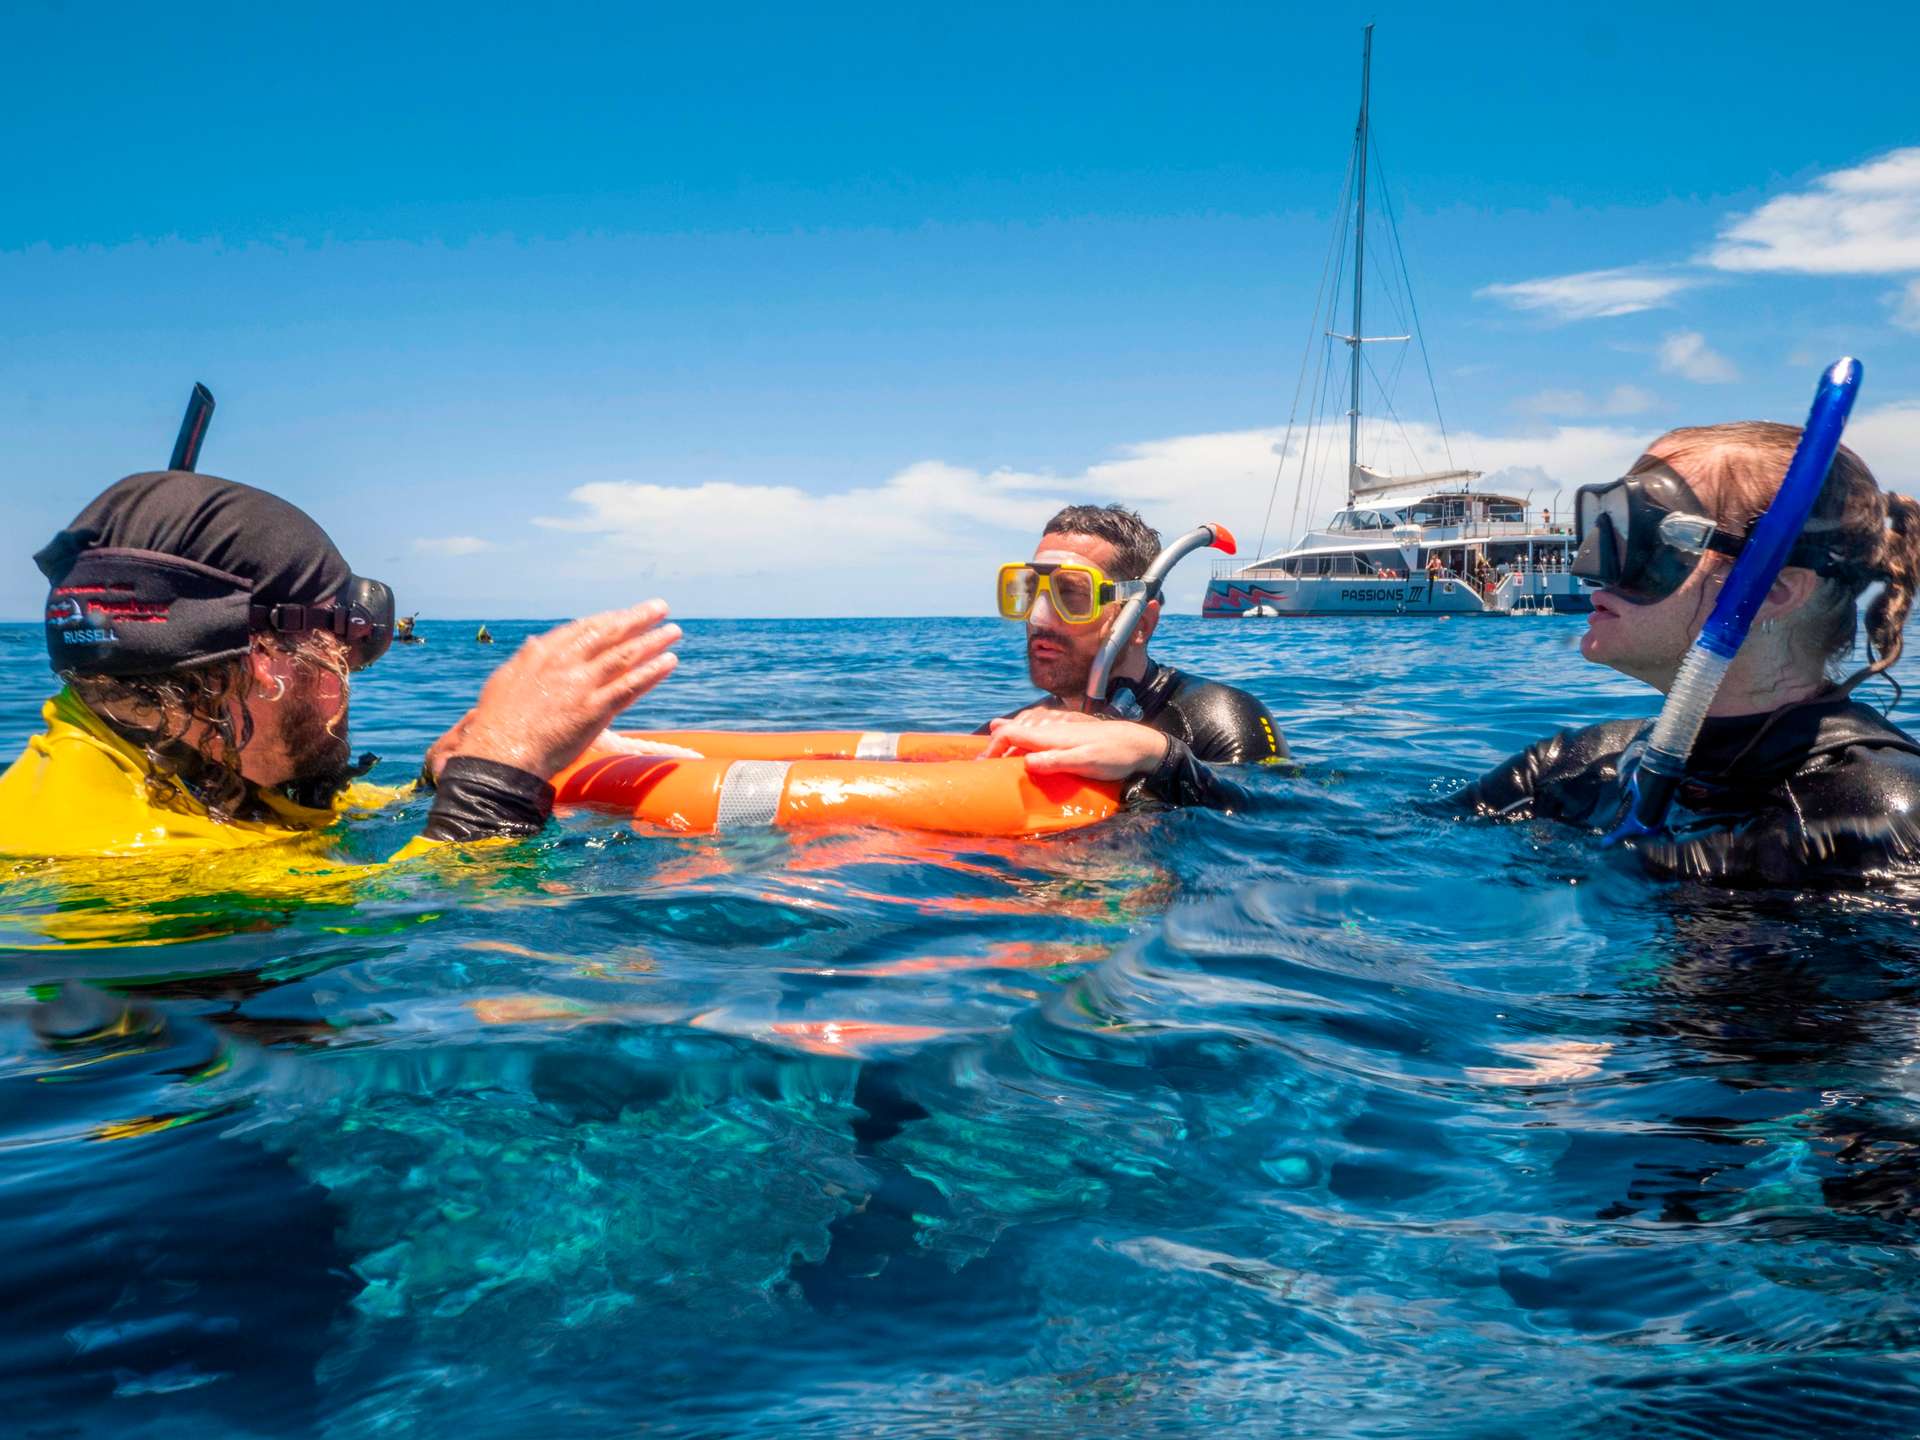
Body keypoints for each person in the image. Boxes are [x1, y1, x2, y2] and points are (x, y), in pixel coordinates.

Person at [0, 470, 680, 859]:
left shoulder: (155, 770)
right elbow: (432, 946)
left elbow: (296, 825)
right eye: (344, 654)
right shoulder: (114, 862)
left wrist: (434, 785)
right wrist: (499, 784)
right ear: (268, 662)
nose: (349, 684)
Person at [1457, 421, 1920, 887]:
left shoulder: (1882, 815)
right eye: (1607, 526)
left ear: (1772, 591)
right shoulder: (1576, 769)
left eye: (1646, 539)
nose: (1590, 567)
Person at [980, 503, 1287, 808]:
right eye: (1029, 593)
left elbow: (1280, 819)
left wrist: (1161, 757)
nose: (1038, 618)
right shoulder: (1011, 730)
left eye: (1072, 595)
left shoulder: (1219, 718)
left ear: (1141, 624)